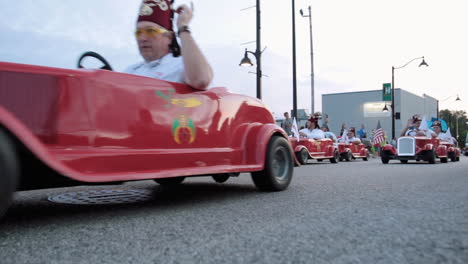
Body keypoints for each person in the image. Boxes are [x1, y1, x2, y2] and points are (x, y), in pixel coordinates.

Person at [125, 0, 213, 90]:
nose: (142, 38)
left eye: (150, 31)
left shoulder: (181, 65)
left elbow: (201, 80)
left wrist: (182, 27)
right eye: (139, 32)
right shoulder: (130, 72)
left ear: (169, 37)